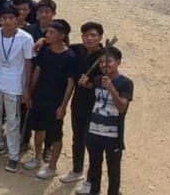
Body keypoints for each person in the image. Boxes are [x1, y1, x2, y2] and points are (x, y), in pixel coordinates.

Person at [0, 5, 34, 173]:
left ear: (17, 19)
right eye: (4, 18)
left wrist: (26, 89)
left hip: (14, 86)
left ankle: (13, 155)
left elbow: (28, 64)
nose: (8, 21)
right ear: (0, 20)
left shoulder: (26, 38)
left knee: (13, 121)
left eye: (11, 18)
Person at [24, 19, 77, 180]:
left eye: (52, 32)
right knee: (38, 129)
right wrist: (29, 93)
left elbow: (70, 83)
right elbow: (37, 72)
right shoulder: (45, 51)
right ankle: (37, 158)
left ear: (62, 36)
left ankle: (52, 167)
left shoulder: (70, 57)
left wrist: (63, 105)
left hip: (55, 100)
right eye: (48, 32)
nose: (48, 35)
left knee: (55, 135)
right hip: (39, 96)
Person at [80, 47, 132, 195]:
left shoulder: (126, 83)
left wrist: (112, 90)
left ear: (118, 62)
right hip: (94, 133)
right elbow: (94, 97)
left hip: (113, 136)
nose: (104, 65)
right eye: (101, 62)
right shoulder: (97, 80)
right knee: (94, 169)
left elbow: (122, 107)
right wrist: (86, 84)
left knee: (113, 171)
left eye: (108, 61)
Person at [61, 22, 106, 190]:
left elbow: (109, 80)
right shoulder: (78, 49)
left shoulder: (106, 56)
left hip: (97, 106)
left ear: (100, 38)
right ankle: (76, 170)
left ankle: (92, 181)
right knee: (77, 138)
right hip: (78, 102)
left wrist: (91, 84)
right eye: (86, 35)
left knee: (93, 143)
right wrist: (43, 41)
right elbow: (62, 46)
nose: (89, 38)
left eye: (93, 35)